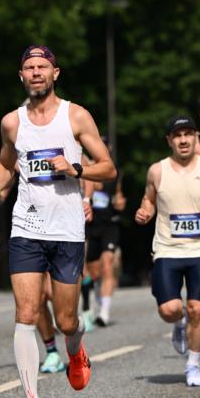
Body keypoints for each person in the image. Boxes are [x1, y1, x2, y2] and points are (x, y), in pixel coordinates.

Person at [0, 45, 116, 398]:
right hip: (27, 227)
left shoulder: (75, 115)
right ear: (21, 76)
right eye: (29, 67)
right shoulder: (12, 123)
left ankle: (75, 351)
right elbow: (6, 165)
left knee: (67, 319)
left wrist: (75, 167)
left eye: (43, 67)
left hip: (68, 231)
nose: (36, 72)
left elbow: (107, 167)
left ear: (56, 73)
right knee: (26, 311)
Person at [135, 115, 200, 386]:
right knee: (170, 310)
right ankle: (178, 324)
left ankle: (193, 366)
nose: (183, 140)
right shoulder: (157, 171)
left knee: (197, 308)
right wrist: (144, 212)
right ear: (169, 141)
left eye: (187, 134)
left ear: (196, 138)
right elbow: (148, 199)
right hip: (167, 250)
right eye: (177, 135)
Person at [84, 139, 126, 327]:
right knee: (93, 272)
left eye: (104, 144)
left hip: (109, 224)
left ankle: (105, 312)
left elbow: (118, 195)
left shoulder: (113, 170)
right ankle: (98, 298)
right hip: (90, 224)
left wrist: (120, 202)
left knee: (108, 264)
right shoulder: (84, 167)